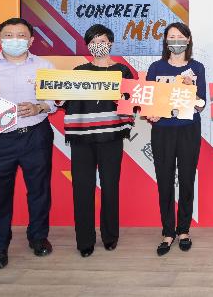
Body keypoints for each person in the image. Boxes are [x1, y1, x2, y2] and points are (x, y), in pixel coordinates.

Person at [0, 18, 56, 270]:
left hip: (35, 135)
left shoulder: (45, 66)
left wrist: (39, 106)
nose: (15, 39)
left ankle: (38, 238)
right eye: (9, 35)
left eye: (21, 35)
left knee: (39, 190)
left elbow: (54, 100)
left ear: (31, 40)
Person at [59, 24, 135, 257]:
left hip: (111, 136)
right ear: (88, 45)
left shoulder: (122, 71)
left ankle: (110, 236)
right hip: (82, 138)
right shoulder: (78, 71)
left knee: (110, 187)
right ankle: (85, 240)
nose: (97, 45)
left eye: (101, 40)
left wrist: (126, 100)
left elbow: (132, 102)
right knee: (82, 189)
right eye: (92, 41)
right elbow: (64, 102)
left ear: (110, 43)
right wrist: (55, 96)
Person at [146, 22, 206, 256]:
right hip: (162, 130)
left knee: (187, 179)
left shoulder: (197, 68)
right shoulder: (155, 68)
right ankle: (168, 231)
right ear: (165, 41)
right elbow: (148, 99)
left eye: (180, 36)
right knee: (164, 180)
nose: (176, 40)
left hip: (188, 129)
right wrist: (150, 112)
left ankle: (184, 230)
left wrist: (192, 89)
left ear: (188, 40)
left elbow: (201, 105)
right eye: (171, 37)